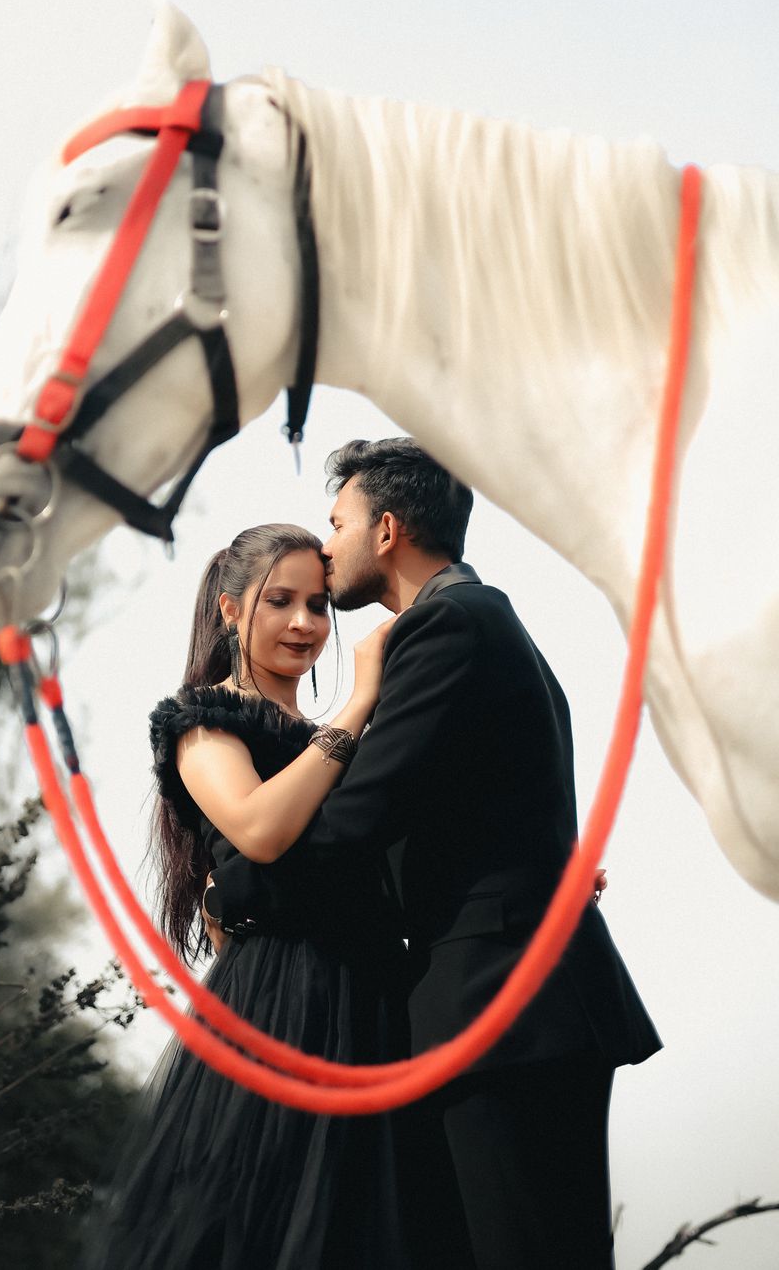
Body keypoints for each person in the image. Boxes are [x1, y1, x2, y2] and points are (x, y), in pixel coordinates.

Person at [205, 440, 663, 1270]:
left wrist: (233, 890)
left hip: (503, 1009)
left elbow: (356, 820)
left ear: (386, 530)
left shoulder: (447, 626)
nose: (328, 543)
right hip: (518, 1006)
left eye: (337, 524)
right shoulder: (484, 620)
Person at [85, 522, 429, 1270]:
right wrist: (360, 700)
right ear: (232, 609)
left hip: (375, 998)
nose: (306, 624)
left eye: (318, 604)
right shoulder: (204, 720)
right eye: (281, 601)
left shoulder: (332, 740)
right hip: (284, 997)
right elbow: (260, 829)